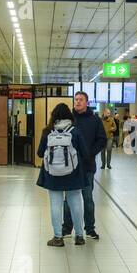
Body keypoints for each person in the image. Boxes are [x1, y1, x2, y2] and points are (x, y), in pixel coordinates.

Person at [38, 102, 90, 246]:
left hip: (52, 174)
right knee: (76, 204)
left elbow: (39, 153)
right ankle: (79, 236)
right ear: (69, 116)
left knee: (56, 205)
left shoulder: (47, 131)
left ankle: (58, 237)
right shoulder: (75, 131)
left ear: (53, 116)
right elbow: (85, 153)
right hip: (74, 173)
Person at [61, 92, 107, 239]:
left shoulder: (95, 120)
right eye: (76, 99)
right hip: (70, 167)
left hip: (87, 166)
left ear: (87, 102)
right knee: (68, 199)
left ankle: (90, 229)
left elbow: (102, 140)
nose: (78, 102)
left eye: (81, 100)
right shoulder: (68, 120)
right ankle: (67, 228)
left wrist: (90, 153)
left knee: (87, 198)